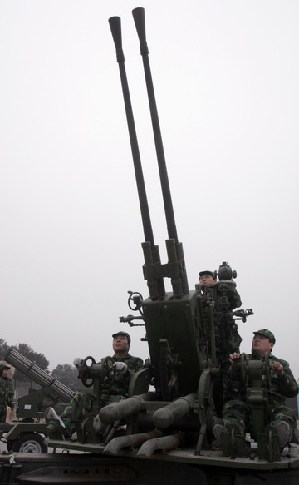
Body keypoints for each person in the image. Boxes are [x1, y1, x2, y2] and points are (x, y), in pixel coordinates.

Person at [48, 331, 143, 440]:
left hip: (122, 399)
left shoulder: (136, 362)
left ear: (128, 344)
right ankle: (63, 426)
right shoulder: (104, 362)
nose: (118, 340)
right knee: (80, 398)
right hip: (101, 398)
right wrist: (83, 368)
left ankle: (96, 426)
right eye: (115, 339)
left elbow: (138, 381)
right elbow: (95, 374)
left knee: (117, 402)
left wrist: (125, 370)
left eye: (122, 338)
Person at [214, 329, 298, 450]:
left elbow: (293, 391)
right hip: (246, 408)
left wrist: (281, 374)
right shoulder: (241, 360)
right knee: (232, 407)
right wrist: (234, 367)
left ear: (271, 344)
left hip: (272, 407)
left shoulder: (280, 364)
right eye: (254, 338)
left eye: (261, 338)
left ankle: (277, 438)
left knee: (284, 413)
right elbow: (227, 388)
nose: (256, 340)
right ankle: (232, 437)